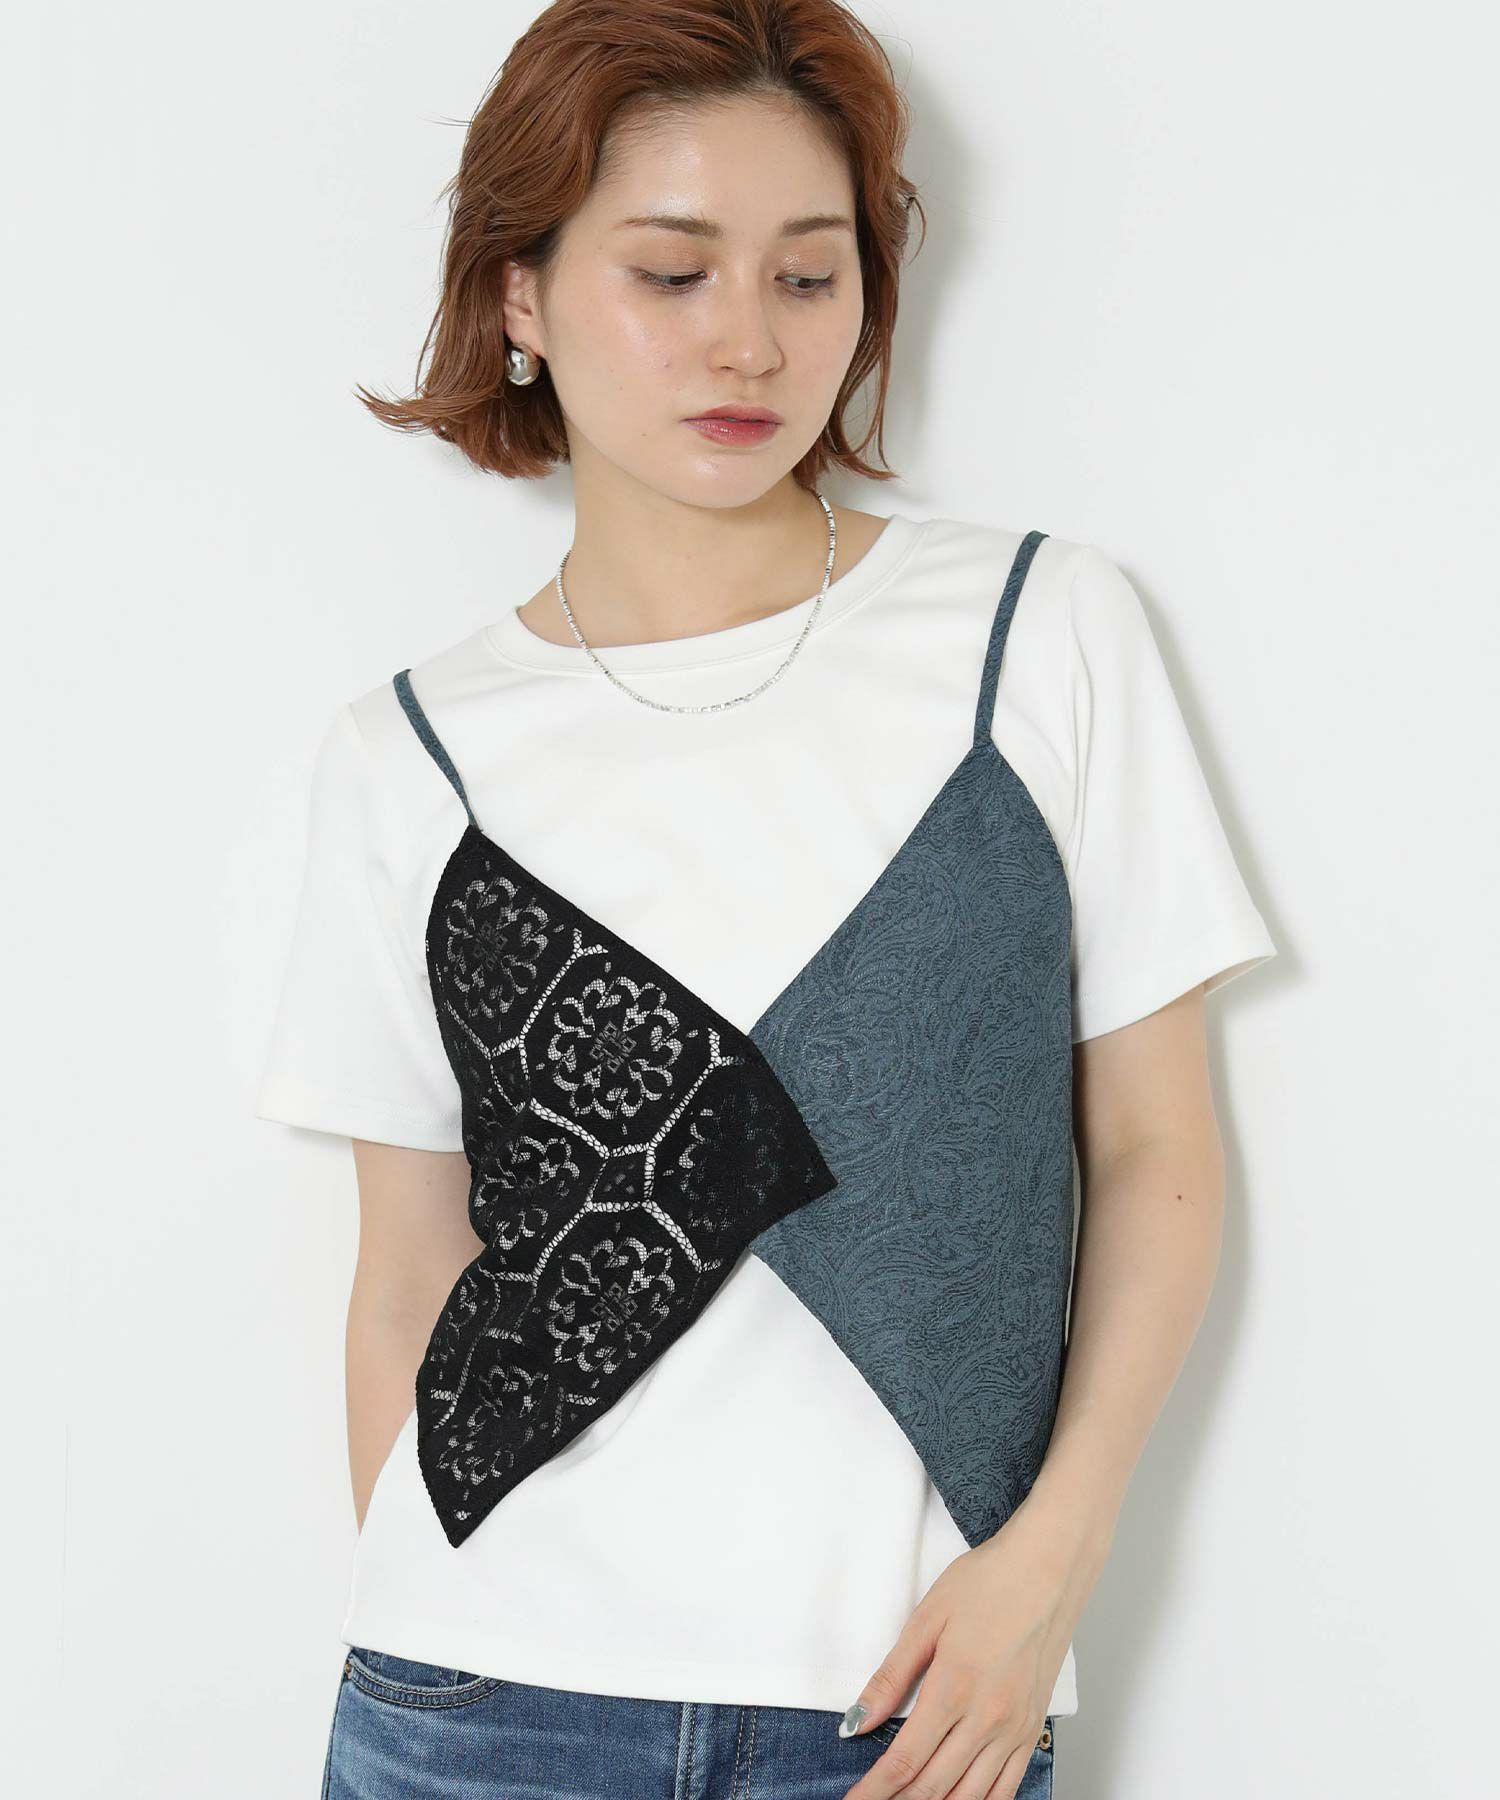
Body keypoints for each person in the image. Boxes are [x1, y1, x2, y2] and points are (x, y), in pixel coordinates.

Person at [254, 3, 1277, 1796]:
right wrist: (428, 1611)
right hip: (478, 1711)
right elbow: (405, 1261)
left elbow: (1155, 1150)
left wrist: (1054, 1560)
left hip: (910, 1712)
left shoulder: (1035, 637)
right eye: (672, 272)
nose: (750, 339)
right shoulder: (410, 752)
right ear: (519, 294)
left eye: (810, 276)